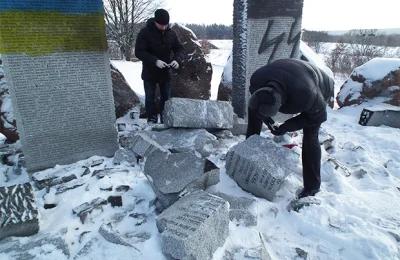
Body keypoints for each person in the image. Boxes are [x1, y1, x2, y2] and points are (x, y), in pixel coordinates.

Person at [246, 58, 334, 199]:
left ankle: (312, 187)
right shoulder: (256, 80)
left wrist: (287, 126)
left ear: (281, 106)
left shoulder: (307, 94)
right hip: (292, 74)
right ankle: (247, 155)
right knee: (254, 115)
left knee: (311, 137)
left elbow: (319, 117)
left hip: (319, 85)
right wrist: (267, 121)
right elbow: (257, 108)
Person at [135, 9, 184, 124]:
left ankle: (164, 117)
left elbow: (180, 48)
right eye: (161, 25)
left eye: (166, 25)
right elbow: (139, 51)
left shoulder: (171, 34)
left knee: (165, 97)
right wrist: (155, 61)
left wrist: (177, 60)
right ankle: (151, 118)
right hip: (149, 70)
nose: (163, 27)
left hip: (165, 71)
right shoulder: (145, 32)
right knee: (150, 97)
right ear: (155, 22)